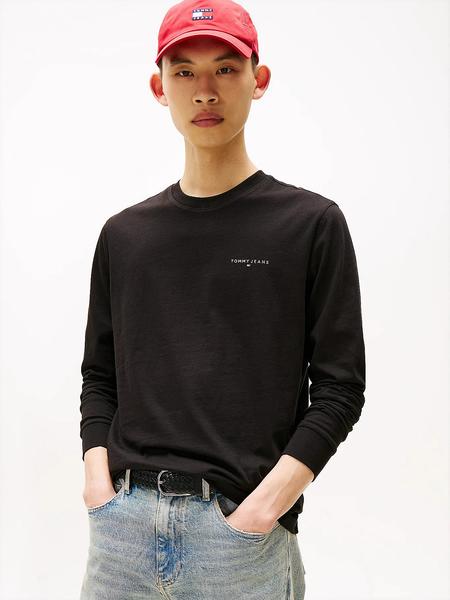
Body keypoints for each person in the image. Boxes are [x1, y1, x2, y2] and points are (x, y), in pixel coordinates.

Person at [78, 0, 366, 598]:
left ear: (259, 80)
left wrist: (263, 509)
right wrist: (98, 486)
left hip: (238, 537)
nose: (204, 91)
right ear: (159, 88)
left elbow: (340, 388)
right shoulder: (124, 235)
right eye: (184, 71)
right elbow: (100, 378)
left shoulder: (309, 225)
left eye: (225, 69)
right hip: (121, 534)